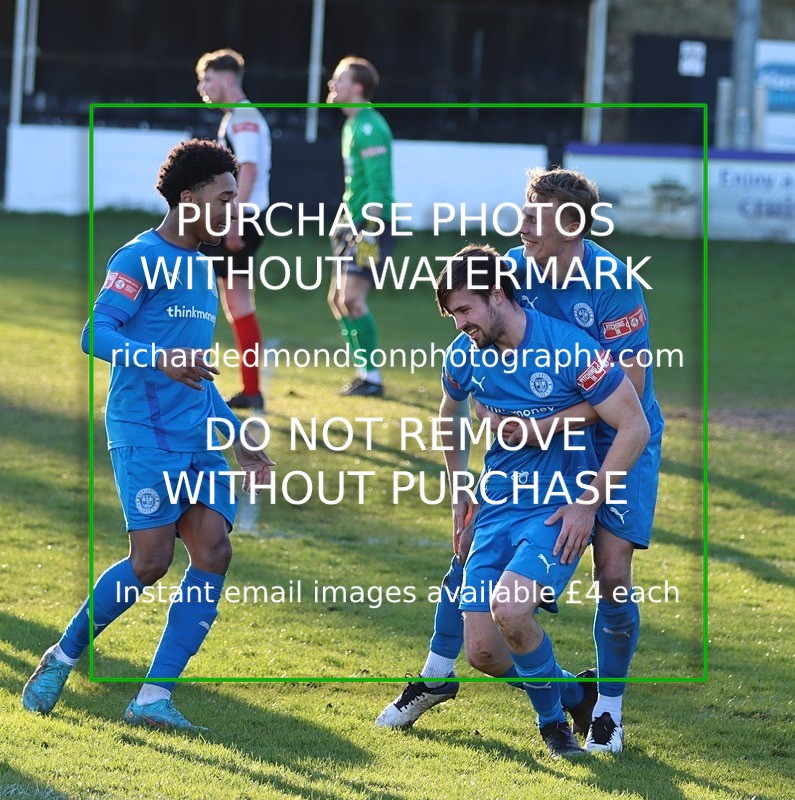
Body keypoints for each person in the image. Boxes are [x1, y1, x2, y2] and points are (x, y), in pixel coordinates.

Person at [378, 169, 664, 754]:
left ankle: (608, 708)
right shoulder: (510, 271)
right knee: (471, 547)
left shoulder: (614, 285)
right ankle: (443, 672)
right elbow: (480, 347)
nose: (522, 227)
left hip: (615, 432)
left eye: (534, 217)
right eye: (523, 213)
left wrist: (541, 425)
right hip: (532, 452)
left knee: (612, 573)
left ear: (571, 225)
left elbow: (629, 395)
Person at [22, 139, 274, 731]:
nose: (234, 211)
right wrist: (160, 357)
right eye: (224, 198)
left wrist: (238, 436)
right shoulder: (139, 257)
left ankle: (153, 699)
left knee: (214, 550)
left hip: (197, 435)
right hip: (143, 431)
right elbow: (95, 333)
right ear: (188, 198)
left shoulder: (204, 267)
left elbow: (198, 375)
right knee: (151, 561)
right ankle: (63, 656)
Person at [196, 48, 271, 412]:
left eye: (207, 79)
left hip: (243, 217)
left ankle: (246, 388)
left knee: (215, 296)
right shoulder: (236, 117)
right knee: (235, 301)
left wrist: (233, 220)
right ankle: (250, 389)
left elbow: (249, 170)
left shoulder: (243, 118)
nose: (203, 87)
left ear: (227, 79)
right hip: (243, 216)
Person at [326, 56, 395, 397]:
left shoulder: (371, 127)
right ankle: (363, 374)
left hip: (371, 225)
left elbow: (379, 185)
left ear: (356, 88)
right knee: (338, 299)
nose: (332, 84)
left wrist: (370, 228)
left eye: (339, 79)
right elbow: (356, 185)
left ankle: (373, 379)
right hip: (350, 222)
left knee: (352, 298)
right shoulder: (351, 125)